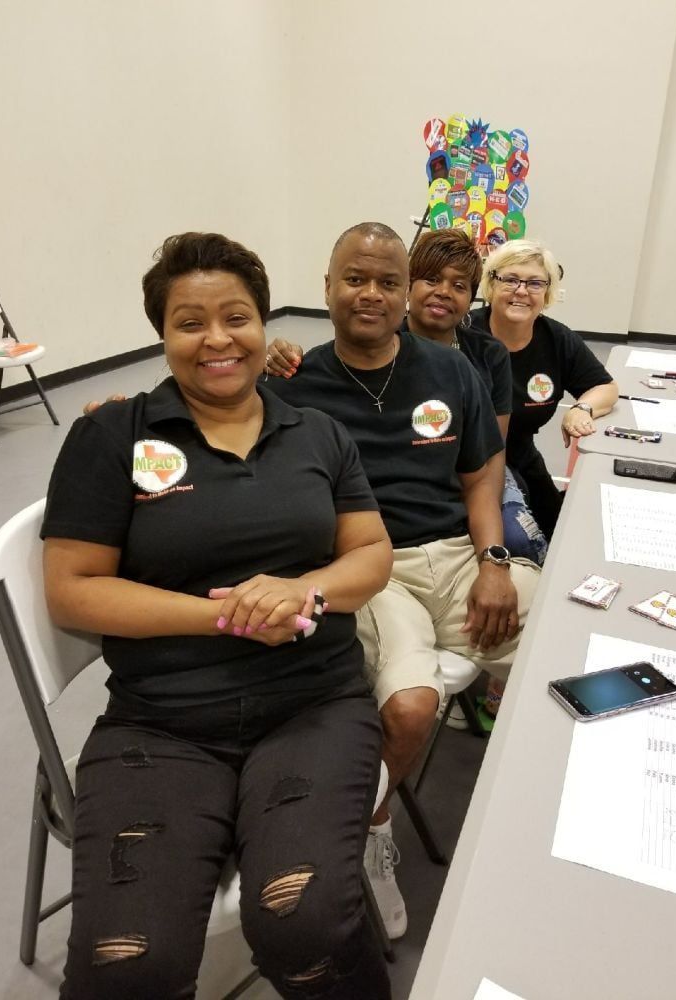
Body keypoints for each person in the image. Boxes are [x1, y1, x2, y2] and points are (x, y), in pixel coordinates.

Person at [42, 232, 394, 1000]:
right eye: (189, 322)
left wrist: (308, 591)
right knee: (127, 966)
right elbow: (72, 590)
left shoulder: (317, 434)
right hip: (161, 720)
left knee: (301, 921)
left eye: (236, 317)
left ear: (264, 326)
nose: (217, 340)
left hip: (313, 704)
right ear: (162, 334)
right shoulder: (113, 435)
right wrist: (228, 616)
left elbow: (370, 553)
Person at [264, 222, 540, 938]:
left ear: (402, 293)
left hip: (454, 553)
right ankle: (373, 835)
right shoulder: (291, 383)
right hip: (369, 567)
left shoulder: (452, 372)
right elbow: (207, 426)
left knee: (567, 646)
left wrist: (494, 562)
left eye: (386, 280)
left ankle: (551, 838)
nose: (372, 293)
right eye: (355, 278)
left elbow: (482, 475)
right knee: (413, 707)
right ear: (326, 288)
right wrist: (118, 420)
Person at [267, 229, 547, 567]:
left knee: (525, 548)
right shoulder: (317, 372)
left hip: (458, 504)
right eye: (356, 279)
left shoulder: (473, 360)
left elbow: (488, 460)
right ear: (411, 290)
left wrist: (488, 553)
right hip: (380, 553)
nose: (443, 293)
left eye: (459, 287)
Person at [470, 239, 619, 539]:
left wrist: (582, 407)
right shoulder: (464, 333)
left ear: (548, 292)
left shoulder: (557, 339)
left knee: (563, 534)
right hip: (468, 464)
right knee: (516, 538)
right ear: (490, 283)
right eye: (510, 280)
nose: (522, 291)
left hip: (522, 458)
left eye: (535, 283)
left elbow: (606, 387)